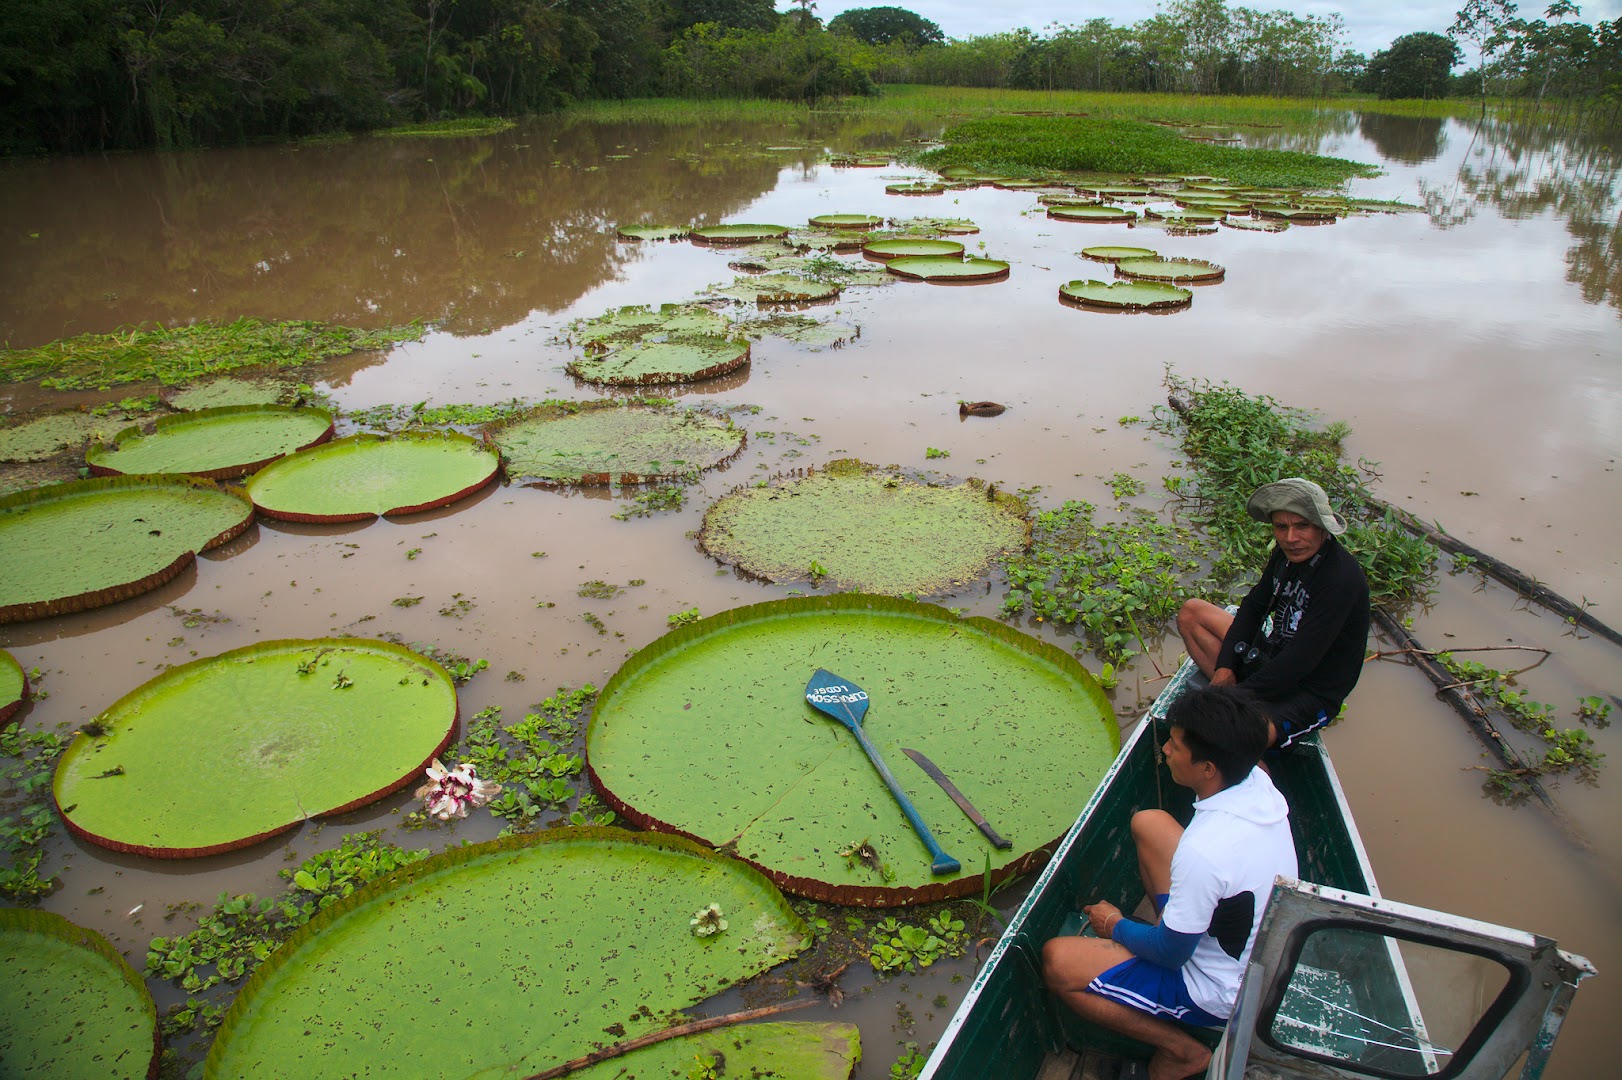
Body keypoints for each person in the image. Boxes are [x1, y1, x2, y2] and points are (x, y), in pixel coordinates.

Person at [1041, 686, 1296, 1080]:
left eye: (1176, 746)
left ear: (1208, 767)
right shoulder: (1257, 779)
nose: (1166, 752)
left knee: (1058, 962)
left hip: (1221, 986)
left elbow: (1170, 953)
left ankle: (1182, 1051)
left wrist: (1115, 925)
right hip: (1244, 938)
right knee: (1151, 824)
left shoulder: (1205, 851)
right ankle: (1177, 922)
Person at [1176, 477, 1370, 749]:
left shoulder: (1340, 579)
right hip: (1273, 660)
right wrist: (1225, 667)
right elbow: (1253, 608)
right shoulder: (1285, 555)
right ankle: (1236, 702)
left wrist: (1231, 699)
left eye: (1302, 526)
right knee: (1192, 613)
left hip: (1308, 690)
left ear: (1323, 527)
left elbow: (1300, 661)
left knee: (1234, 740)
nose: (1291, 538)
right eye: (1281, 527)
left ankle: (1244, 722)